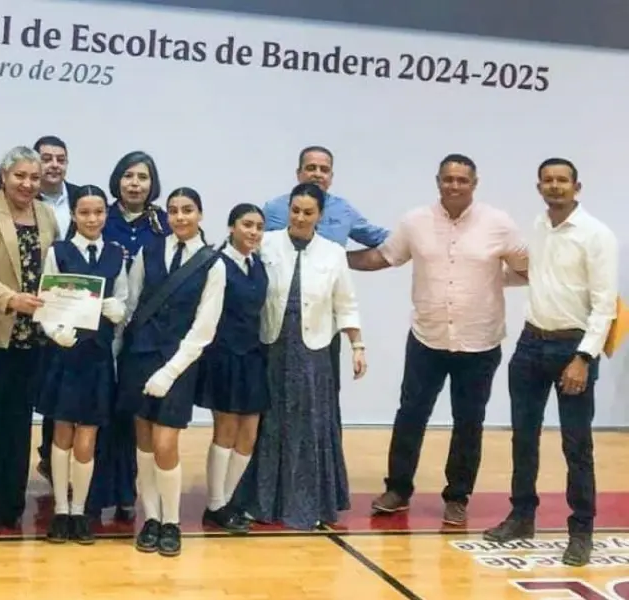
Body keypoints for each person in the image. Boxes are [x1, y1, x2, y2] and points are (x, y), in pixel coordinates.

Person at [347, 154, 527, 526]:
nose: (454, 185)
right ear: (438, 181)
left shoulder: (499, 224)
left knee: (469, 421)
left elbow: (527, 267)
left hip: (480, 342)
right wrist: (334, 258)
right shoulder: (415, 221)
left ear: (474, 184)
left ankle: (457, 497)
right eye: (448, 179)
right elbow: (383, 257)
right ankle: (397, 489)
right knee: (411, 414)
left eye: (462, 180)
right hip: (427, 339)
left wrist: (496, 280)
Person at [482, 158, 618, 567]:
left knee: (577, 445)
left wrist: (583, 358)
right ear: (538, 186)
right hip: (530, 343)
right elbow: (532, 276)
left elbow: (605, 305)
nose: (555, 187)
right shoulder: (538, 227)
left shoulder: (597, 235)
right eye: (548, 180)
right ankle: (522, 516)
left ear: (577, 186)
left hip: (573, 349)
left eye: (562, 181)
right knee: (523, 437)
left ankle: (582, 532)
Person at [232, 182, 366, 531]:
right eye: (295, 210)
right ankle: (259, 501)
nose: (301, 217)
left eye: (308, 212)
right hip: (271, 347)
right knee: (268, 423)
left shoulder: (333, 253)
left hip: (313, 353)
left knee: (309, 426)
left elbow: (346, 304)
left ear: (320, 216)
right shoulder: (267, 243)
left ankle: (309, 503)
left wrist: (357, 347)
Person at [120, 187, 226, 557]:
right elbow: (131, 304)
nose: (180, 217)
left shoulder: (213, 263)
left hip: (179, 364)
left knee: (166, 444)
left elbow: (204, 328)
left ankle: (172, 521)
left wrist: (171, 371)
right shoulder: (149, 251)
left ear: (200, 214)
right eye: (174, 210)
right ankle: (151, 519)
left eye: (188, 210)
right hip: (140, 358)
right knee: (144, 444)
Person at [0, 146, 59, 532]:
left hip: (33, 338)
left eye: (34, 178)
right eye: (20, 176)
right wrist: (11, 300)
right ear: (4, 176)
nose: (27, 184)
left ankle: (12, 504)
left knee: (19, 424)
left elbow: (56, 268)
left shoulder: (47, 215)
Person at [262, 146, 387, 416]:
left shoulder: (344, 212)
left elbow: (382, 241)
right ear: (298, 173)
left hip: (320, 324)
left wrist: (341, 261)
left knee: (321, 404)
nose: (317, 174)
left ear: (331, 176)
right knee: (270, 402)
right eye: (311, 168)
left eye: (324, 169)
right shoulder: (273, 209)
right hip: (275, 324)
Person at [35, 184, 129, 544]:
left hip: (98, 357)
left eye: (99, 212)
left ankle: (80, 511)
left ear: (106, 214)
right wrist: (55, 330)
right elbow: (46, 301)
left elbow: (123, 300)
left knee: (87, 438)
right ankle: (60, 509)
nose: (93, 219)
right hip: (66, 354)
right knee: (62, 434)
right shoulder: (59, 251)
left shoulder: (115, 255)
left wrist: (116, 310)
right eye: (85, 212)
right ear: (74, 215)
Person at [88, 151, 171, 522]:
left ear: (153, 184)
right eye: (128, 176)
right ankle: (92, 493)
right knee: (99, 411)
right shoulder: (99, 215)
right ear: (117, 179)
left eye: (143, 177)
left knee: (132, 413)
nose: (135, 183)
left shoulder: (164, 225)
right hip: (100, 327)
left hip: (145, 333)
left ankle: (126, 493)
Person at [197, 203, 269, 532]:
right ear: (231, 227)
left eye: (258, 226)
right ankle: (215, 504)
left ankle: (228, 499)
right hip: (224, 356)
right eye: (246, 224)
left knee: (249, 433)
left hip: (253, 357)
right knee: (225, 431)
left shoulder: (259, 264)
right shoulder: (217, 263)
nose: (253, 231)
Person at [32, 135, 83, 478]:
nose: (53, 164)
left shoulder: (83, 197)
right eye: (46, 158)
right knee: (47, 385)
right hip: (36, 302)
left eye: (60, 159)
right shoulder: (22, 196)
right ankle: (48, 455)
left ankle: (61, 465)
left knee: (69, 388)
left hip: (80, 306)